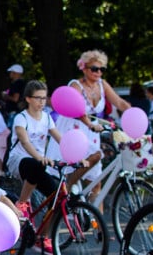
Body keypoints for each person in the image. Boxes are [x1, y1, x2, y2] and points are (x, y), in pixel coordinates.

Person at [55, 49, 130, 197]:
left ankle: (95, 219)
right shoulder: (76, 85)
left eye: (102, 69)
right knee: (95, 156)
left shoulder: (102, 84)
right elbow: (77, 110)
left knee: (96, 182)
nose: (98, 73)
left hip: (93, 130)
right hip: (74, 129)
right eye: (95, 69)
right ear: (84, 68)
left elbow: (119, 102)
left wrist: (132, 113)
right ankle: (68, 186)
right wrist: (90, 124)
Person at [7, 80, 62, 254]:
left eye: (44, 99)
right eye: (38, 98)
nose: (41, 102)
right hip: (20, 161)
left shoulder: (46, 118)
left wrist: (77, 156)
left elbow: (60, 138)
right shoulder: (21, 118)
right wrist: (40, 157)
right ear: (28, 99)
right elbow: (25, 141)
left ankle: (43, 237)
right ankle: (22, 202)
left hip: (39, 164)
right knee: (34, 165)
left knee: (57, 197)